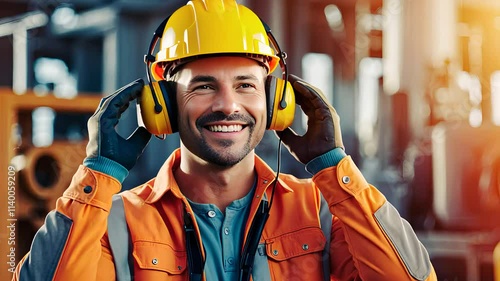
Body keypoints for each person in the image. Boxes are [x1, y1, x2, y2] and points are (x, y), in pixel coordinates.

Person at [12, 0, 437, 280]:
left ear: (277, 102)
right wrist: (98, 175)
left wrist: (335, 168)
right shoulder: (115, 220)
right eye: (203, 87)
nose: (229, 105)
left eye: (247, 85)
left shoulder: (324, 210)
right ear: (163, 103)